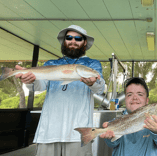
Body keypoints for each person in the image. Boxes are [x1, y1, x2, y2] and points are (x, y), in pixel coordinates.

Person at [15, 25, 105, 156]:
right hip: (48, 132)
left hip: (78, 133)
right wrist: (30, 81)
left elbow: (99, 88)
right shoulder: (51, 64)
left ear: (84, 43)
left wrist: (93, 82)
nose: (73, 41)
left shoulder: (92, 64)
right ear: (64, 41)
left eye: (78, 38)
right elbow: (39, 86)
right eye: (69, 37)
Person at [100, 77, 157, 156]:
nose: (134, 98)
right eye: (129, 94)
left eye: (140, 94)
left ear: (147, 101)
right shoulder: (116, 121)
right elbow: (111, 144)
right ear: (125, 100)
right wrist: (109, 137)